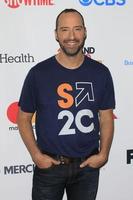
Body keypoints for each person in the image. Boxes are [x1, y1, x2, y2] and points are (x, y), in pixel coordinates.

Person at [17, 8, 115, 200]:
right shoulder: (38, 74)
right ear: (56, 34)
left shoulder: (101, 73)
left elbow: (106, 117)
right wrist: (36, 156)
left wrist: (103, 154)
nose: (72, 36)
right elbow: (23, 118)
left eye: (77, 29)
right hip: (50, 168)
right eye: (64, 29)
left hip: (87, 168)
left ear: (85, 32)